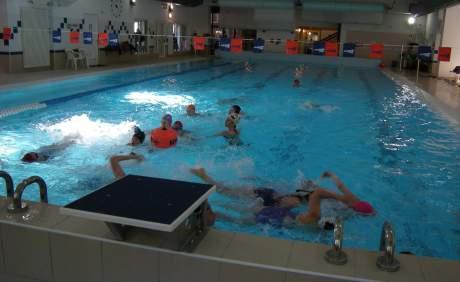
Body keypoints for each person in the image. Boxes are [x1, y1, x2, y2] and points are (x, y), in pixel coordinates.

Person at [190, 168, 374, 229]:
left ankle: (206, 182)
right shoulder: (315, 214)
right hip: (272, 203)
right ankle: (208, 191)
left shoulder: (348, 199)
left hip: (272, 199)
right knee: (234, 204)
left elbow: (332, 188)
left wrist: (331, 177)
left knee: (230, 195)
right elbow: (317, 196)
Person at [109, 153, 217, 225]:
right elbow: (113, 159)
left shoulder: (121, 181)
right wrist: (135, 157)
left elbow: (113, 159)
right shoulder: (124, 183)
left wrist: (135, 157)